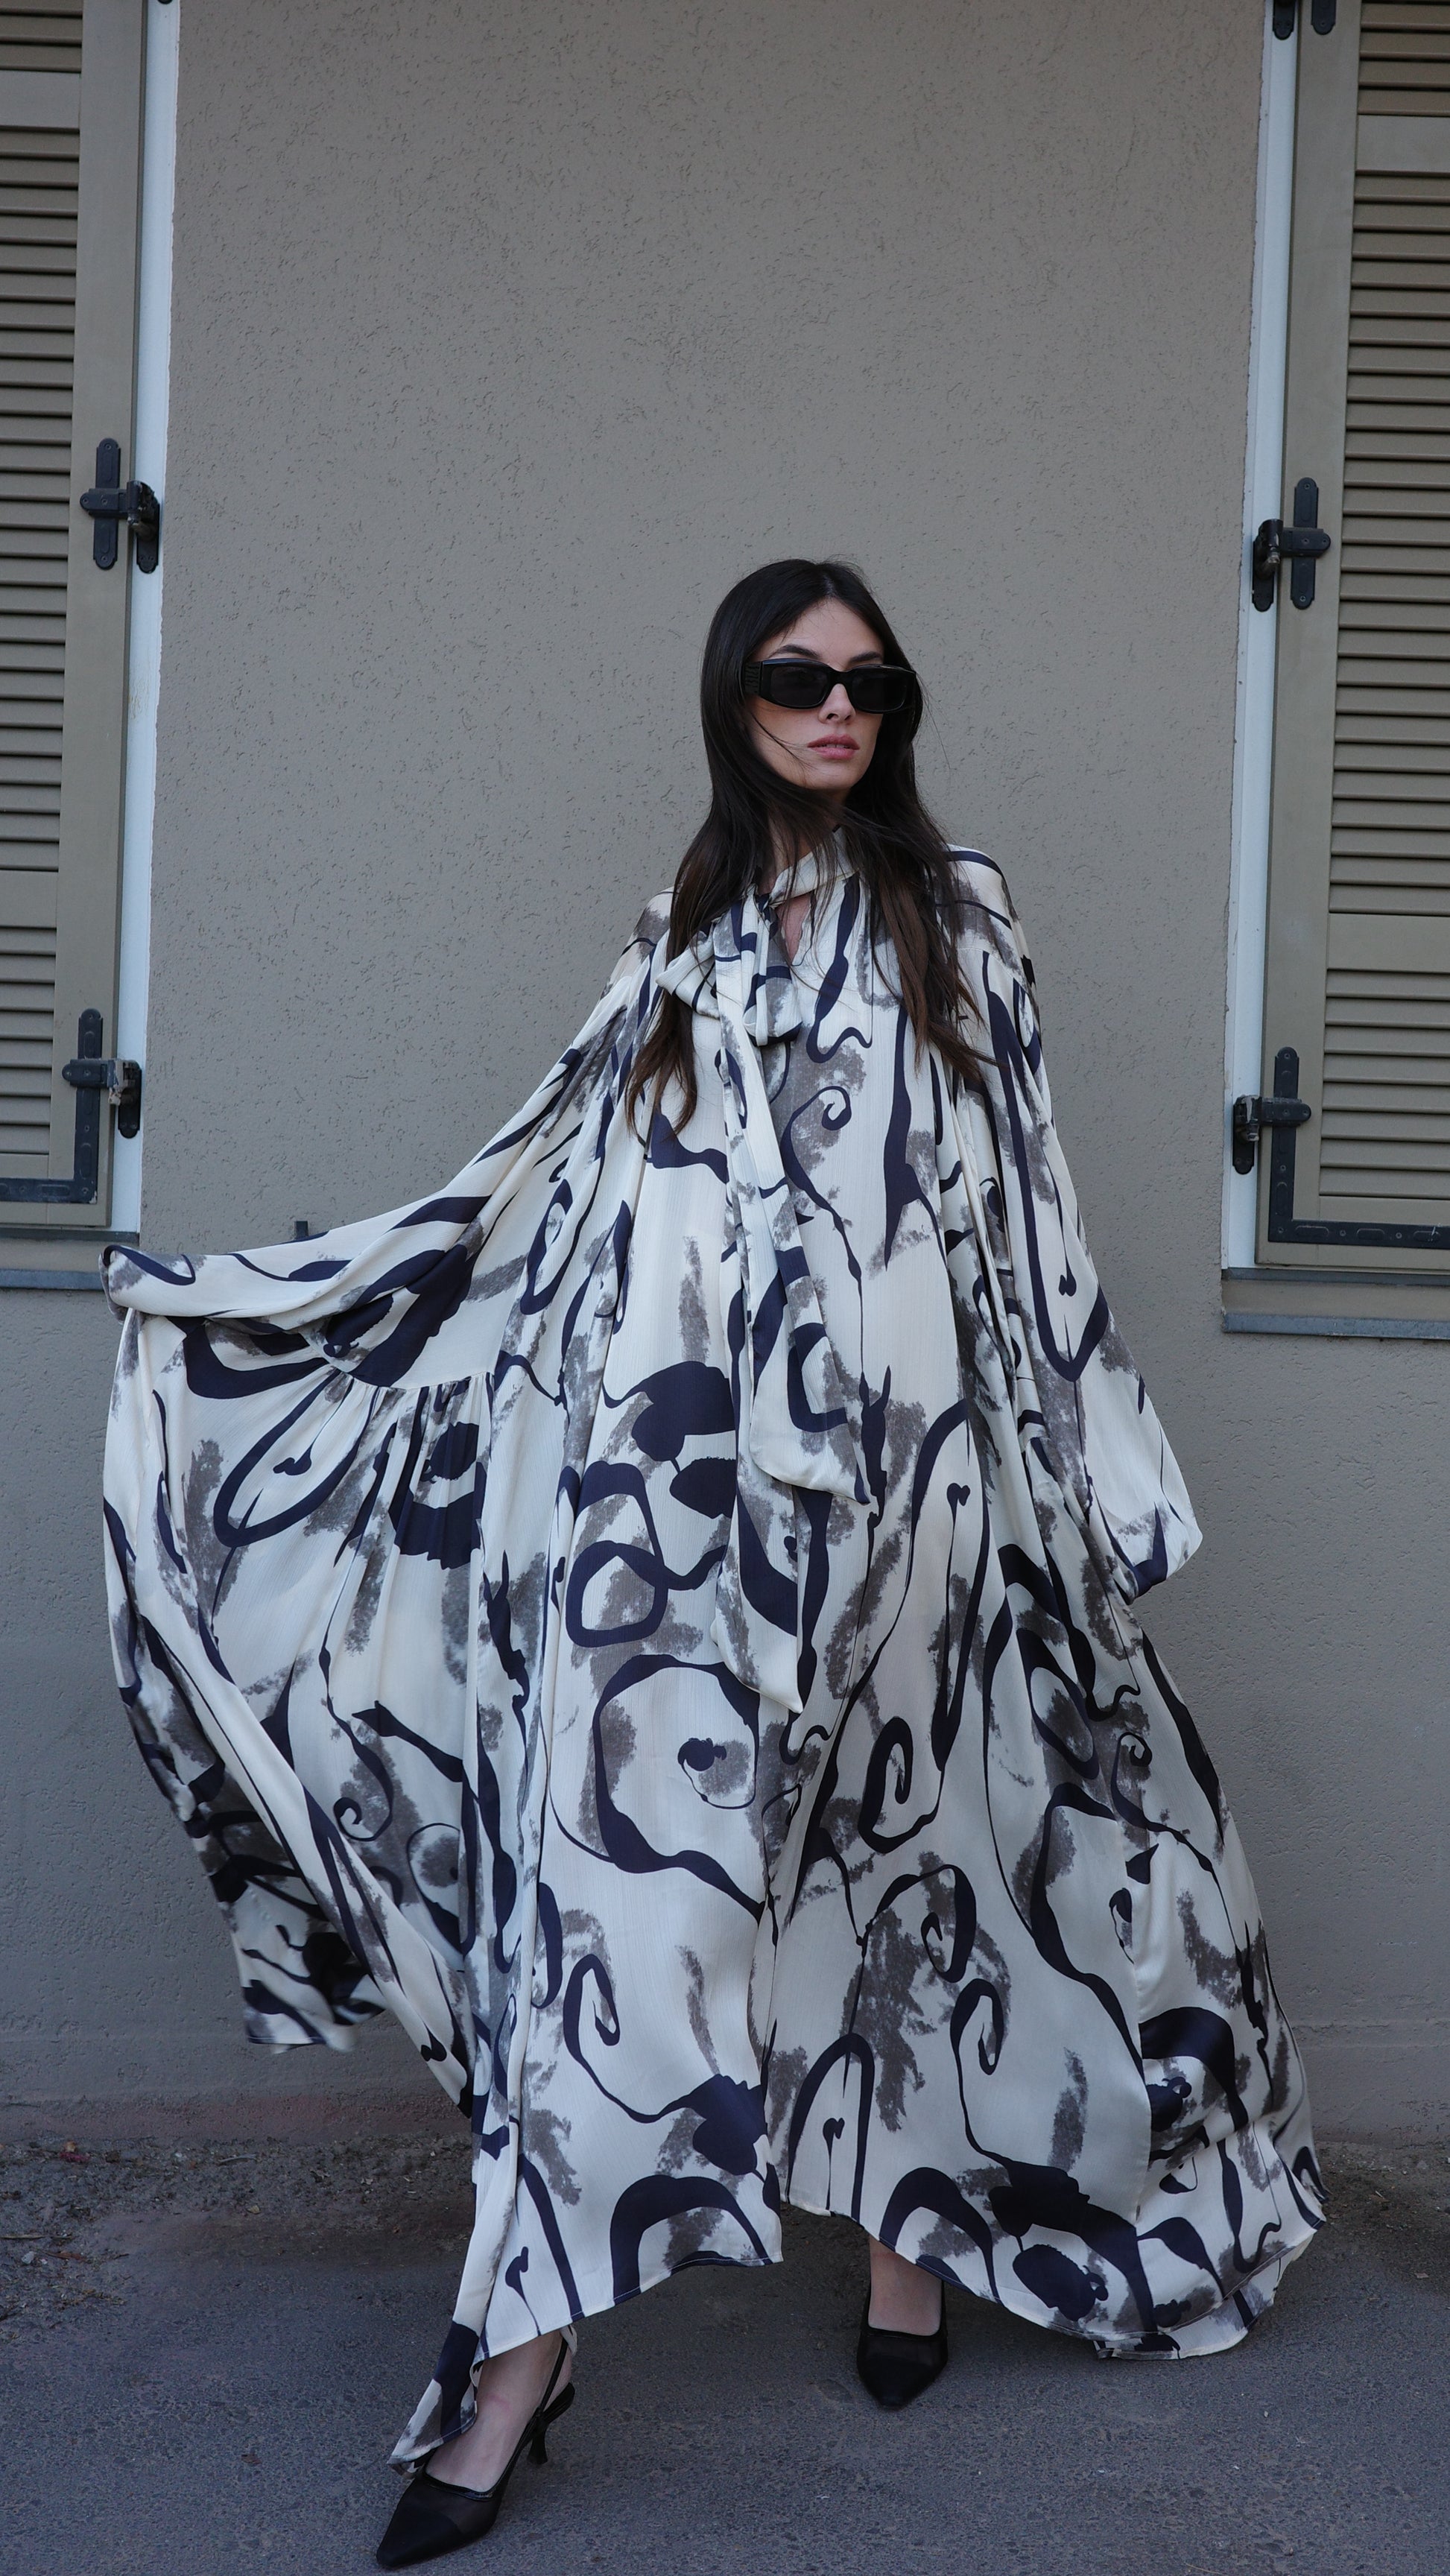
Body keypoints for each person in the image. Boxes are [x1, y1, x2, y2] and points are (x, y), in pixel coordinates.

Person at [103, 560, 1322, 2569]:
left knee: (912, 1877)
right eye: (796, 673)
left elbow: (1030, 1210)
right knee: (623, 1920)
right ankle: (516, 2370)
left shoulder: (961, 918)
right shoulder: (677, 930)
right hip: (684, 1535)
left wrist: (1101, 1480)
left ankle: (909, 2243)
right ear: (730, 695)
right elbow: (543, 1194)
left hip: (913, 1504)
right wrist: (293, 1313)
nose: (839, 707)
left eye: (872, 681)